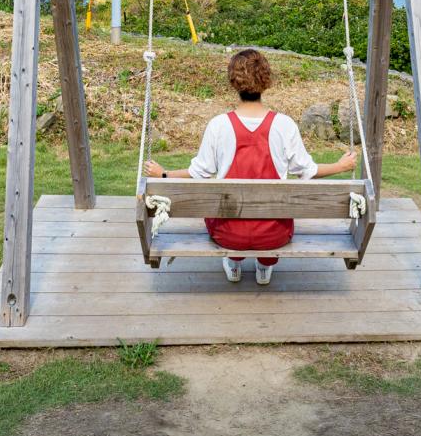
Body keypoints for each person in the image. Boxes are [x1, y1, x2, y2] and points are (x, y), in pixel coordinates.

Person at [145, 48, 357, 285]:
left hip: (227, 234)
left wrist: (162, 174)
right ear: (266, 81)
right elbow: (307, 171)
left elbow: (198, 173)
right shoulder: (284, 125)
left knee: (224, 215)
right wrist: (340, 166)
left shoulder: (218, 126)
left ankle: (234, 263)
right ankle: (265, 266)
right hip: (274, 234)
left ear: (234, 82)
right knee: (271, 218)